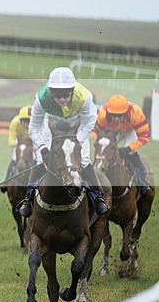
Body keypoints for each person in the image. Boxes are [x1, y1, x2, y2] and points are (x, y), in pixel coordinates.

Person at [17, 67, 109, 217]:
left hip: (76, 123)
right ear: (51, 91)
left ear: (72, 90)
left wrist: (76, 143)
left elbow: (89, 122)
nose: (62, 99)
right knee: (41, 160)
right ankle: (28, 199)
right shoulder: (41, 99)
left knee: (84, 159)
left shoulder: (84, 97)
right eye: (57, 95)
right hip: (51, 121)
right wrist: (43, 149)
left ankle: (97, 197)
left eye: (66, 94)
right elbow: (34, 127)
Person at [94, 94, 151, 195]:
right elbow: (99, 134)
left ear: (126, 111)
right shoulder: (103, 114)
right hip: (113, 131)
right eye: (113, 115)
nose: (116, 119)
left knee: (130, 153)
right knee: (104, 150)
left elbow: (145, 136)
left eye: (119, 115)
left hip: (130, 130)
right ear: (109, 112)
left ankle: (141, 181)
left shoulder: (135, 112)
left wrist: (129, 148)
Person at [0, 105, 32, 193]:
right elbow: (11, 141)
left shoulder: (39, 124)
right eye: (24, 122)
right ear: (20, 120)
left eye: (29, 121)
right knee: (14, 158)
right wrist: (20, 144)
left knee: (38, 160)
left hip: (33, 145)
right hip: (20, 143)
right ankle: (7, 180)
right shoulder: (15, 122)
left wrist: (34, 147)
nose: (27, 125)